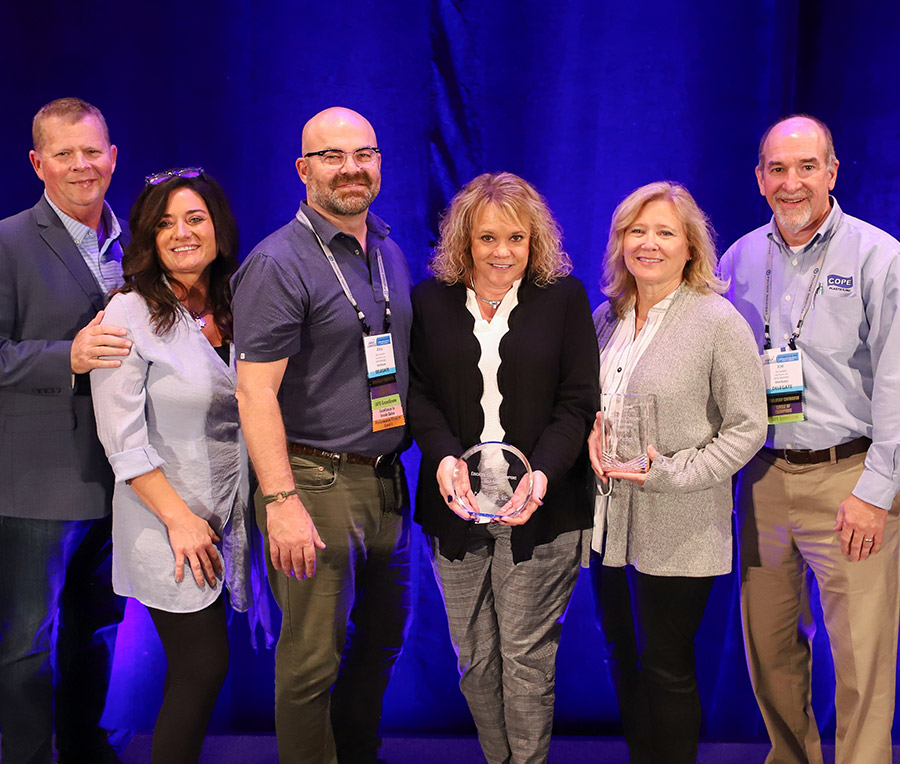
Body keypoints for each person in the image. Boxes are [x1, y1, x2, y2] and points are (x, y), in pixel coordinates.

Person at [232, 106, 412, 764]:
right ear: (303, 170)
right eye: (332, 156)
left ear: (379, 165)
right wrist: (280, 501)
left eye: (363, 154)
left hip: (386, 483)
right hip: (312, 482)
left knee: (381, 640)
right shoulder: (279, 262)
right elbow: (254, 392)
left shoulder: (385, 250)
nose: (350, 169)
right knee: (312, 663)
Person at [718, 114, 900, 764]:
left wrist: (876, 492)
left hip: (850, 479)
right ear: (760, 177)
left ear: (832, 172)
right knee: (770, 653)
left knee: (863, 661)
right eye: (777, 168)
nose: (791, 182)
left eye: (806, 167)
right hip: (761, 481)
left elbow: (897, 385)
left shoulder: (879, 256)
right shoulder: (739, 258)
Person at [409, 171, 598, 764]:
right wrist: (441, 455)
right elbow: (416, 395)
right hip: (457, 508)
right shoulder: (428, 301)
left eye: (516, 238)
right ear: (465, 240)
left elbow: (577, 402)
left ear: (533, 240)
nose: (502, 253)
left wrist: (541, 474)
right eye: (488, 238)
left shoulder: (563, 299)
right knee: (474, 656)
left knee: (525, 658)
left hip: (544, 510)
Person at [588, 181, 767, 764]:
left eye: (665, 232)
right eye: (636, 231)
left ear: (691, 246)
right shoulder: (605, 318)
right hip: (607, 524)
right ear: (620, 243)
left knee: (665, 664)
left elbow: (747, 427)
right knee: (622, 656)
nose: (649, 244)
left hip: (681, 522)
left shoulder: (717, 321)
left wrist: (671, 472)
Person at [90, 169, 255, 763]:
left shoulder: (241, 303)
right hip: (166, 521)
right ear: (148, 238)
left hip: (228, 519)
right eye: (165, 223)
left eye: (194, 219)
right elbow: (122, 438)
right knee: (201, 667)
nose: (181, 233)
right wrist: (180, 521)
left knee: (202, 669)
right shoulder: (127, 313)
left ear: (219, 228)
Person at [0, 97, 131, 764]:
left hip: (121, 479)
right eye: (64, 154)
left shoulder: (134, 242)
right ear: (38, 163)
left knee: (99, 629)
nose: (81, 165)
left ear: (112, 157)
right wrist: (66, 357)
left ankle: (86, 748)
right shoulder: (8, 241)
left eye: (91, 152)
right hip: (37, 485)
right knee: (27, 643)